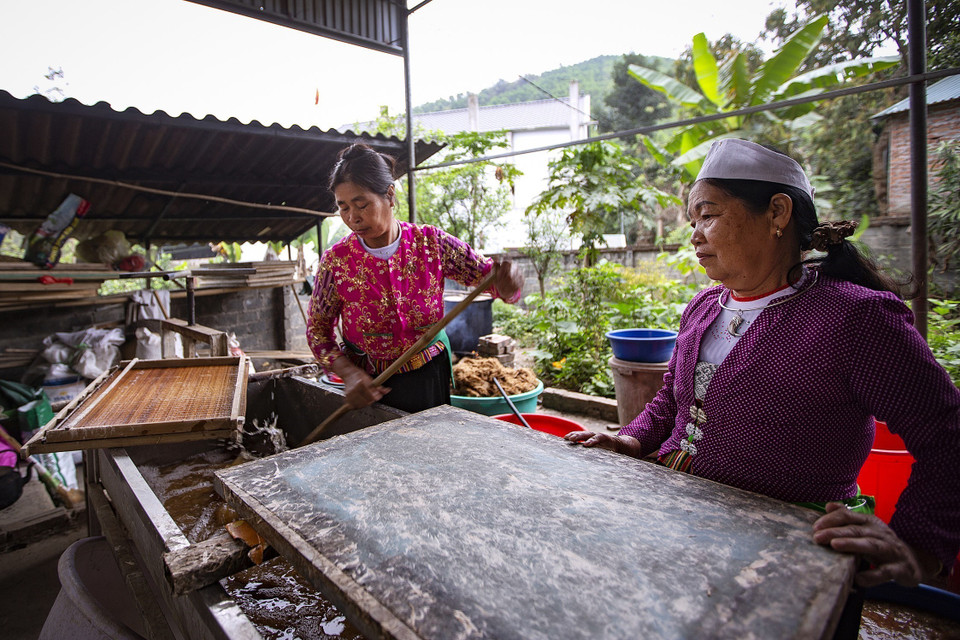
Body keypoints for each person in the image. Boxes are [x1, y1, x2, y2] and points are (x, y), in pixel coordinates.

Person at [565, 138, 959, 632]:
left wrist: (919, 547)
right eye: (693, 222)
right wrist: (631, 438)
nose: (695, 235)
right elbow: (673, 400)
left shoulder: (854, 319)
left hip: (791, 555)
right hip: (683, 530)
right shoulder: (705, 307)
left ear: (777, 212)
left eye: (707, 215)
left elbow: (948, 432)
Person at [306, 143, 523, 413]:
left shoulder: (431, 243)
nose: (353, 218)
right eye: (343, 207)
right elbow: (318, 331)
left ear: (389, 195)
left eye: (361, 205)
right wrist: (348, 373)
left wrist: (507, 281)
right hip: (368, 383)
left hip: (428, 374)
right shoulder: (336, 261)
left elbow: (488, 276)